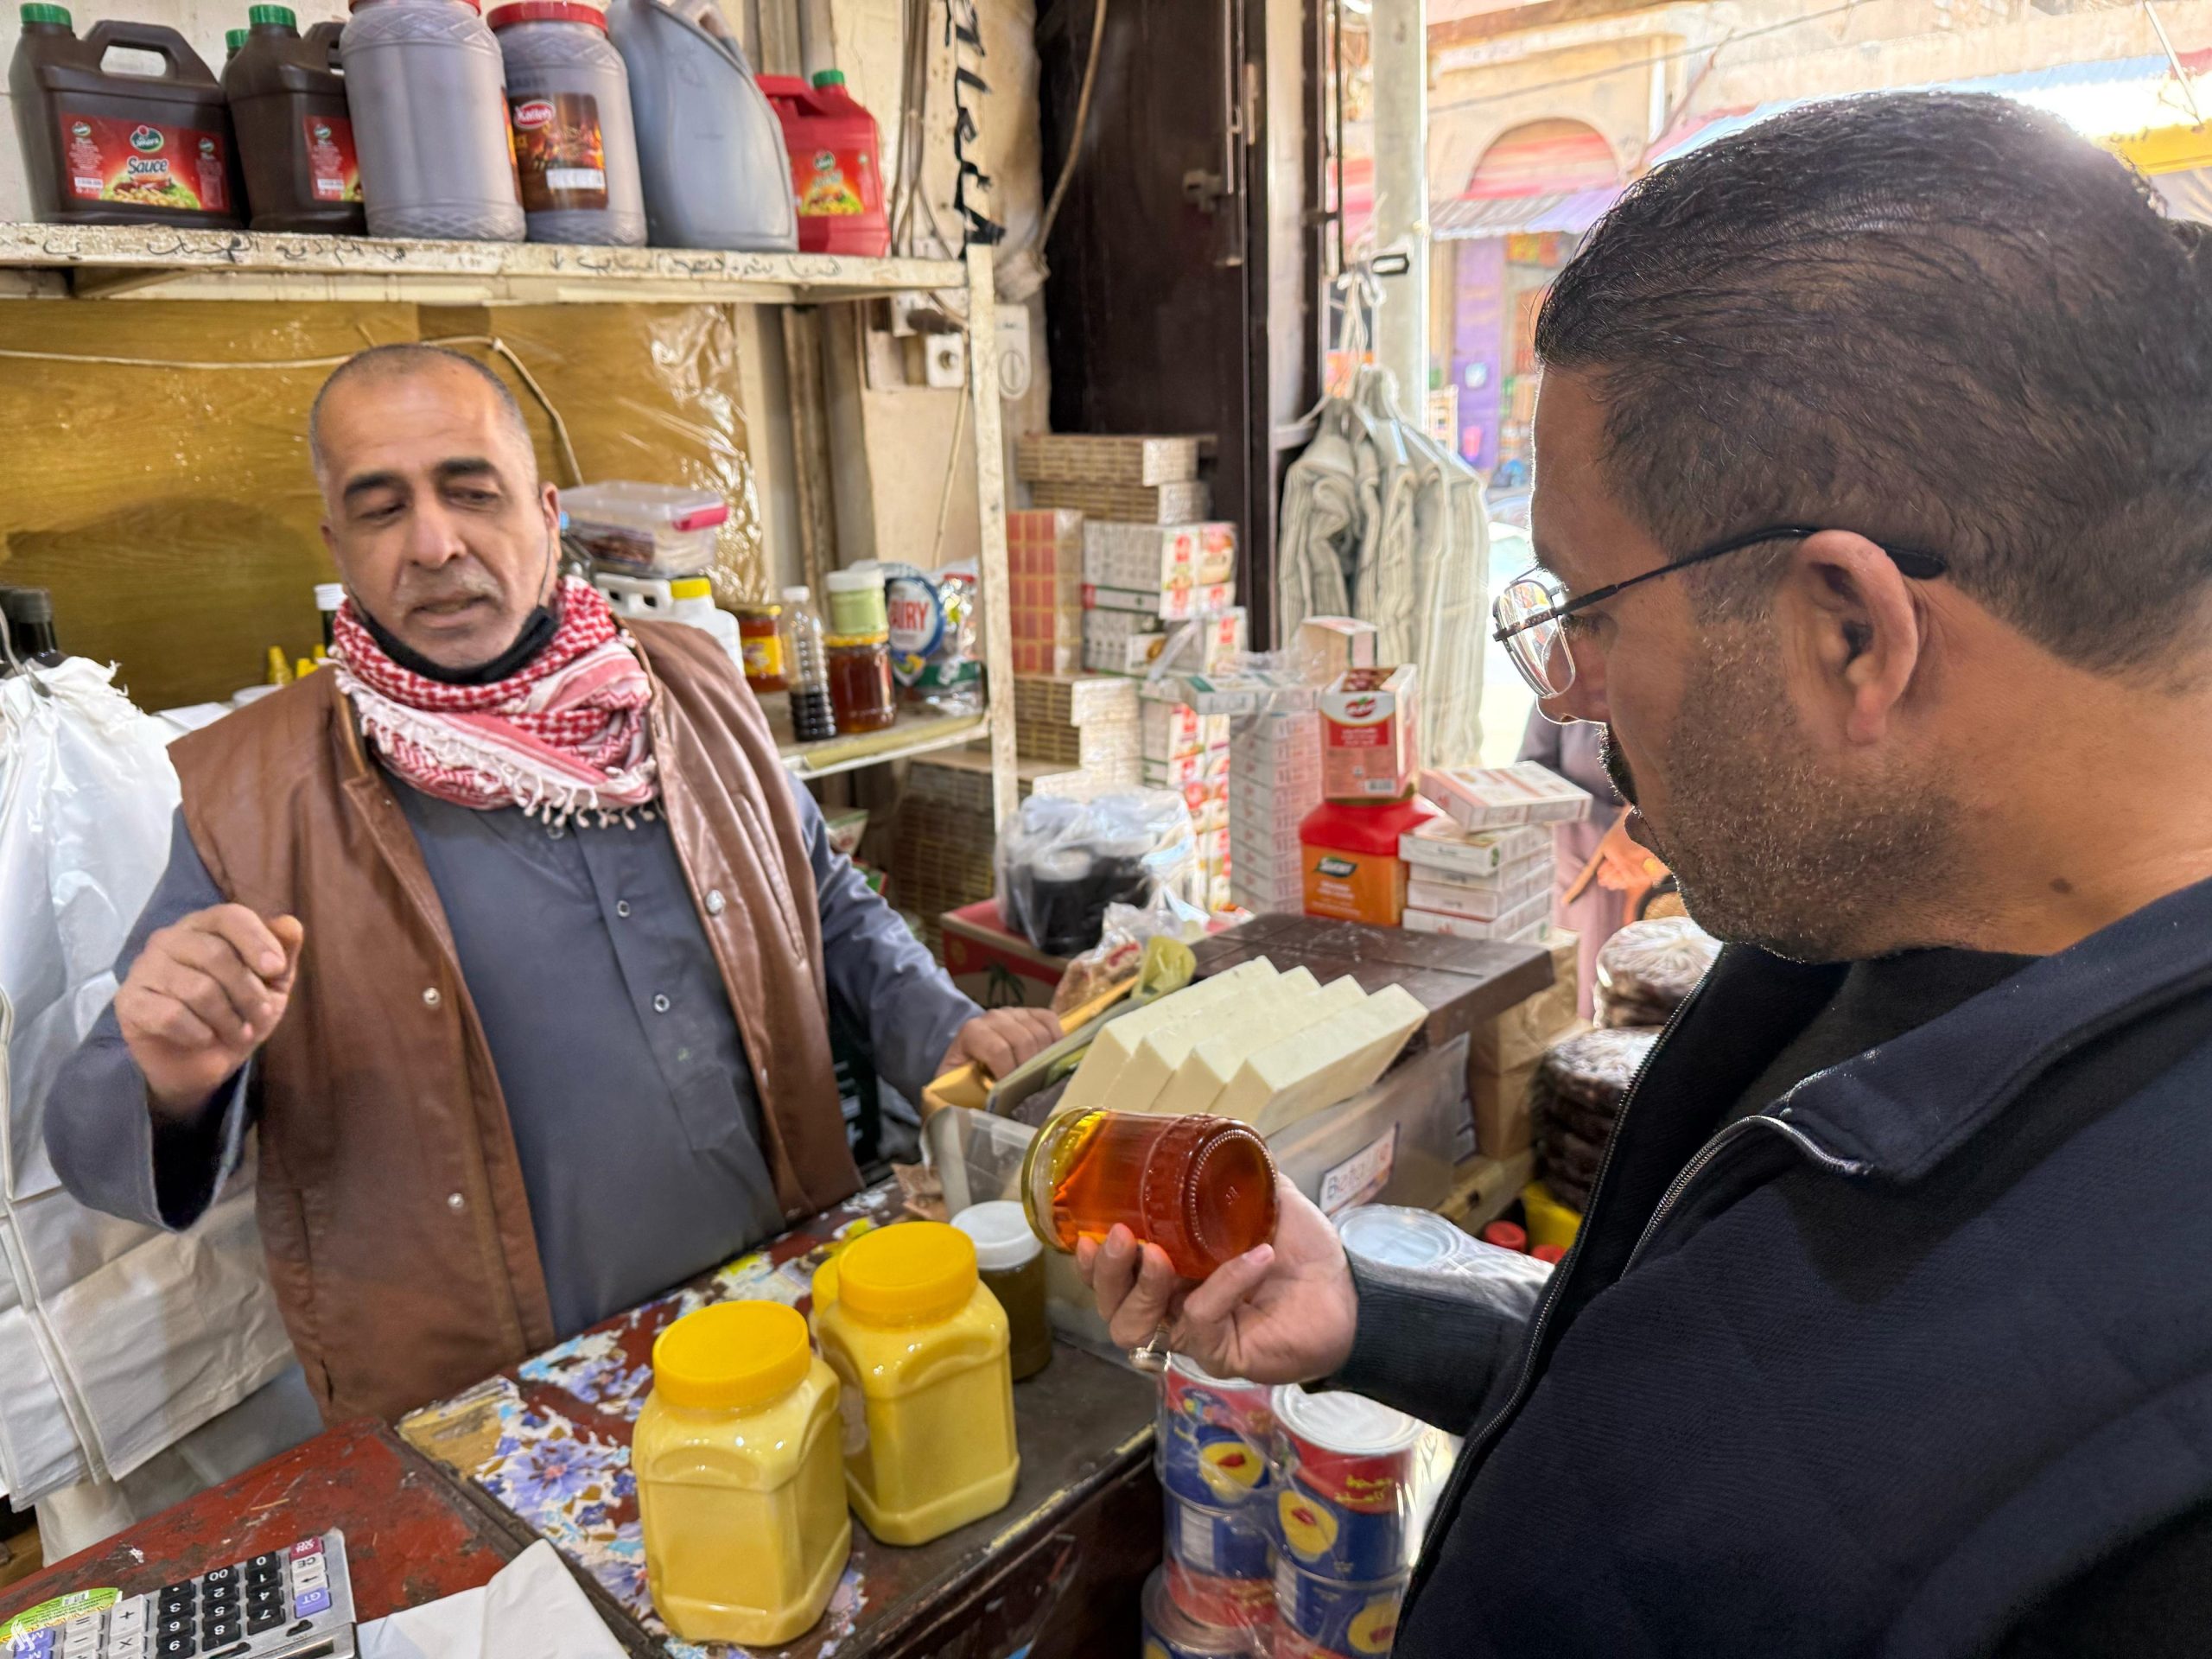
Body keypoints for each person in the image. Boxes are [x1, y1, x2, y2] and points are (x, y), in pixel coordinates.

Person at [1084, 92, 2212, 1656]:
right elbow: (1696, 1420)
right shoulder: (1866, 925)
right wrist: (1377, 1311)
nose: (1571, 691)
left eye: (1591, 609)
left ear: (1851, 634)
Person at [48, 344, 1058, 1425]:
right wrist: (169, 1076)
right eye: (380, 511)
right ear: (337, 543)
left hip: (782, 1314)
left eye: (470, 491)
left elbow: (819, 896)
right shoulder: (249, 797)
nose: (434, 544)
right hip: (499, 1408)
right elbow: (95, 1147)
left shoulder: (689, 685)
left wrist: (944, 1030)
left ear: (545, 509)